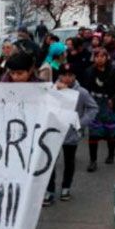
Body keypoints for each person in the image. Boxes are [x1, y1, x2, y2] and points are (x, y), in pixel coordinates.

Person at [44, 63, 98, 206]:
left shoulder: (81, 92)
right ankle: (49, 190)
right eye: (64, 75)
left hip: (71, 134)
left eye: (70, 75)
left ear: (75, 76)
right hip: (54, 132)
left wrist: (80, 123)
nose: (67, 78)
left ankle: (66, 188)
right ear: (59, 76)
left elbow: (93, 108)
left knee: (69, 161)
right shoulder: (52, 89)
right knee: (51, 162)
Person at [81, 48, 115, 171]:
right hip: (94, 104)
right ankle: (93, 161)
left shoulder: (114, 71)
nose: (99, 59)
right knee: (93, 133)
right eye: (97, 56)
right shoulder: (89, 71)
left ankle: (111, 154)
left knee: (110, 132)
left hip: (109, 104)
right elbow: (85, 89)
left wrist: (113, 99)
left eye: (102, 56)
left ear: (107, 58)